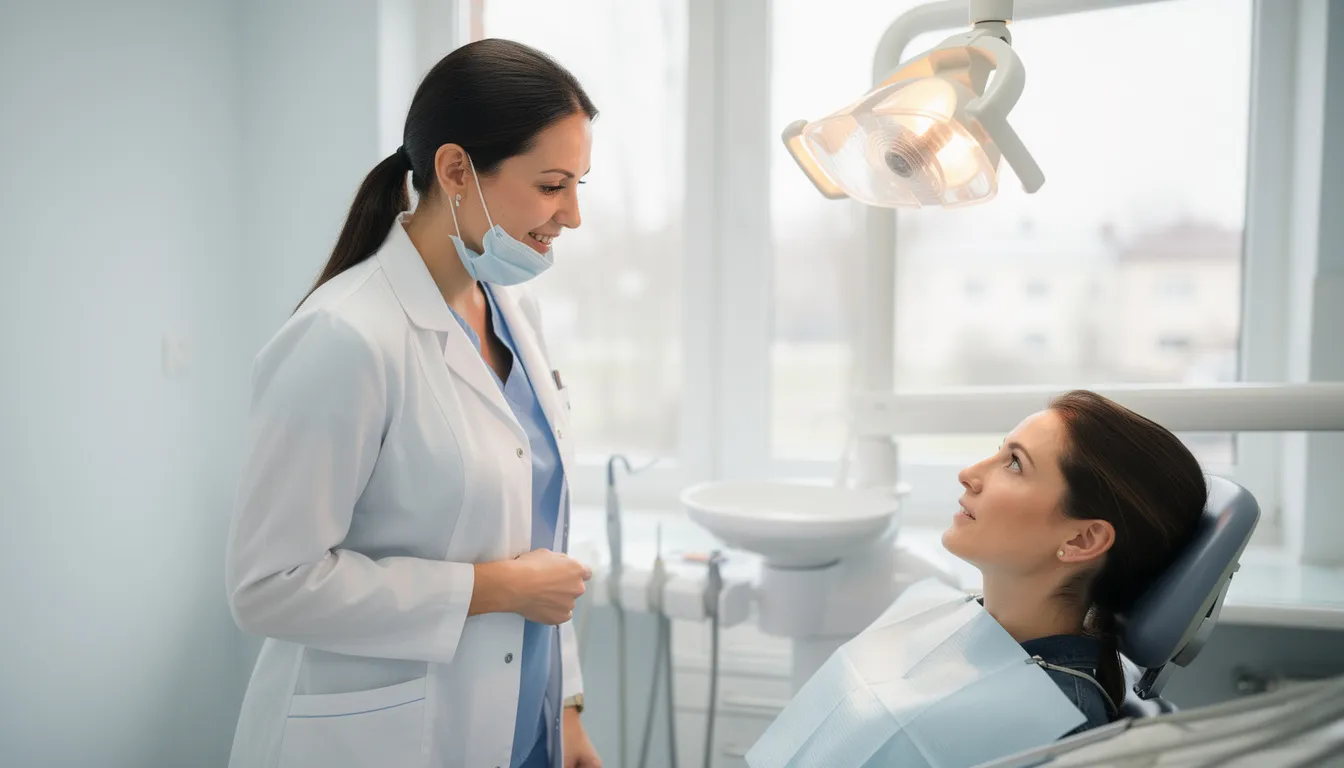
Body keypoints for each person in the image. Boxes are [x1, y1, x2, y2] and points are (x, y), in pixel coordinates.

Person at [224, 39, 602, 768]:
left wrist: (566, 705)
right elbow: (267, 589)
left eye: (580, 183)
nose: (573, 215)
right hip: (380, 738)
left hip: (520, 726)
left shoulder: (516, 320)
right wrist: (490, 589)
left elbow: (537, 546)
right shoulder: (346, 337)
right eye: (554, 184)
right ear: (456, 170)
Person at [942, 389, 1207, 733]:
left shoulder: (1052, 723)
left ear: (1082, 540)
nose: (968, 473)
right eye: (1000, 452)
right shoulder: (974, 639)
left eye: (1015, 464)